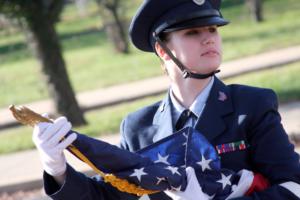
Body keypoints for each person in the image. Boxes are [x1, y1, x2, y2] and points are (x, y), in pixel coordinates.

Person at [32, 0, 300, 199]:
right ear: (162, 50)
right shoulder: (139, 127)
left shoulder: (250, 105)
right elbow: (108, 196)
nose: (208, 38)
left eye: (213, 29)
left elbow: (293, 186)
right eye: (192, 33)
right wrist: (57, 169)